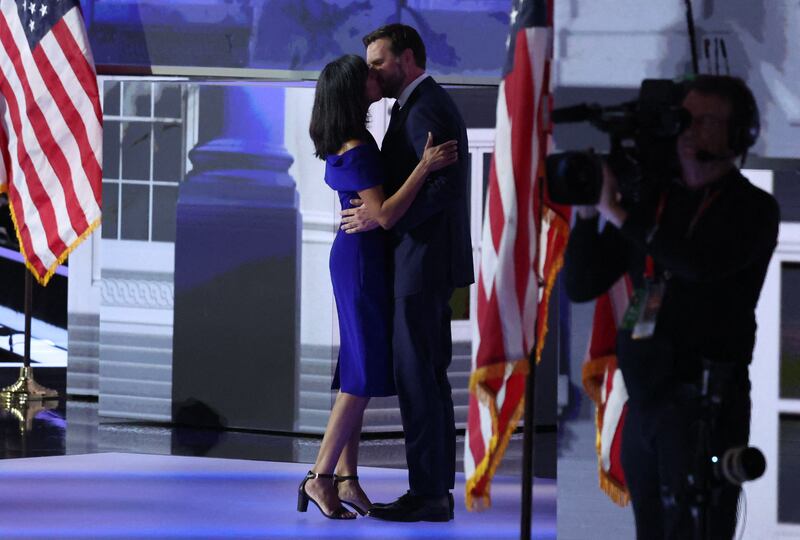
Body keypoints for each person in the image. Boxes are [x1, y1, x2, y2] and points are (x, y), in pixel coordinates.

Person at [564, 75, 779, 539]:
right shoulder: (658, 201)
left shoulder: (752, 208)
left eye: (705, 121)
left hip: (704, 403)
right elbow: (581, 285)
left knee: (695, 528)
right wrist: (587, 214)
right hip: (646, 401)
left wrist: (619, 213)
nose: (689, 131)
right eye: (684, 119)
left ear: (739, 135)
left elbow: (697, 263)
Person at [299, 54, 458, 520]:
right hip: (362, 263)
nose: (375, 78)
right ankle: (320, 477)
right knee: (362, 375)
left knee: (356, 369)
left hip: (357, 258)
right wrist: (425, 165)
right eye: (366, 74)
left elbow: (377, 213)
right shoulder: (358, 145)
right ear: (351, 91)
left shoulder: (346, 140)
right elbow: (385, 213)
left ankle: (347, 480)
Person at [340, 24, 474, 522]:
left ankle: (429, 495)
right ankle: (432, 491)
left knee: (420, 381)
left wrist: (385, 216)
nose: (372, 72)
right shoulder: (416, 106)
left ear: (408, 58)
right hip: (423, 264)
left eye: (378, 62)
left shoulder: (428, 107)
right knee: (426, 381)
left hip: (422, 265)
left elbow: (444, 190)